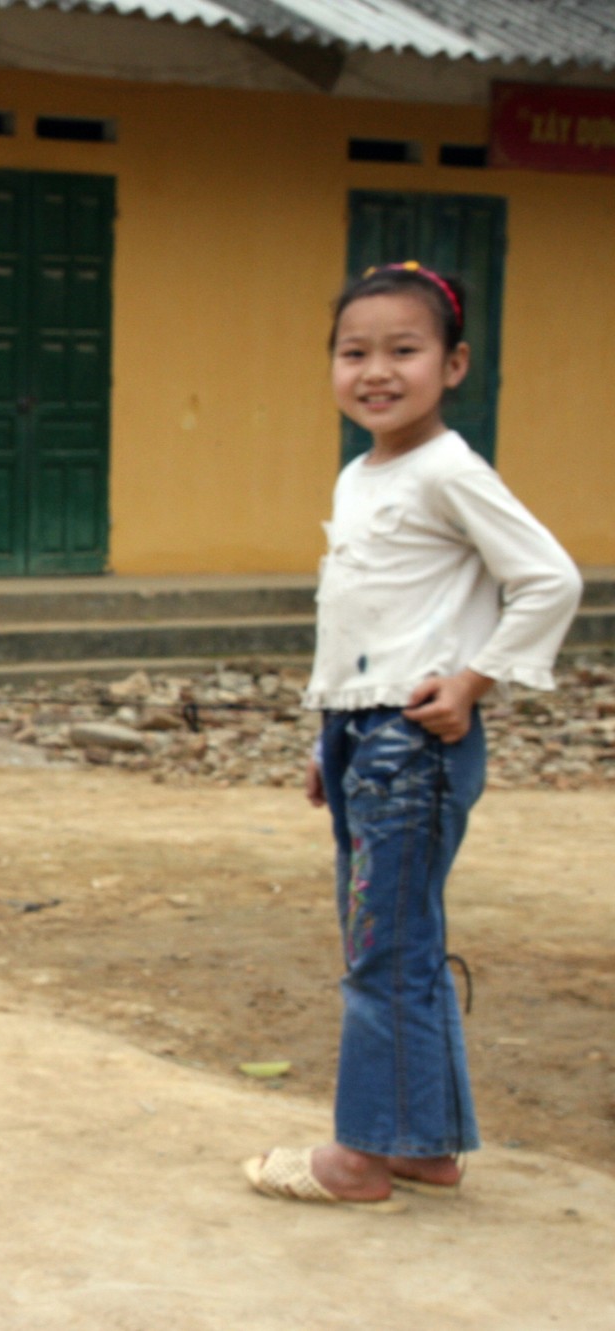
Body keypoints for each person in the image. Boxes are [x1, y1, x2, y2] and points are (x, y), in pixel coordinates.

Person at [247, 262, 582, 1207]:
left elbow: (551, 579)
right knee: (400, 941)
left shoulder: (449, 470)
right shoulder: (364, 472)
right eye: (355, 352)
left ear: (455, 362)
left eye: (405, 350)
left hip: (415, 740)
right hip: (363, 732)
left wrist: (475, 678)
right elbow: (363, 617)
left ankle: (361, 1155)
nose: (376, 371)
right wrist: (328, 735)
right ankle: (426, 1144)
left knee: (383, 949)